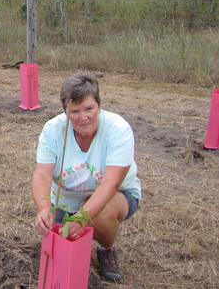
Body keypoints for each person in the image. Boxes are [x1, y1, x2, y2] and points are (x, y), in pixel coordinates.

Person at [31, 71, 141, 283]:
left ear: (99, 105)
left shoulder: (118, 129)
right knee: (57, 230)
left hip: (116, 194)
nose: (83, 117)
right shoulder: (53, 130)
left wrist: (82, 217)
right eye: (75, 111)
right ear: (65, 112)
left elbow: (112, 182)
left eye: (89, 108)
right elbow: (42, 173)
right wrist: (44, 208)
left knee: (97, 217)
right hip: (65, 199)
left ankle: (106, 249)